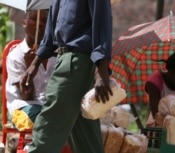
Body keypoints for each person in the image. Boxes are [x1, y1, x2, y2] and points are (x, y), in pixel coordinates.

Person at [20, 1, 113, 153]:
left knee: (50, 122)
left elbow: (102, 24)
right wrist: (34, 65)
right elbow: (50, 34)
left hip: (77, 61)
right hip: (63, 58)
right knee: (85, 132)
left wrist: (102, 73)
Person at [6, 9, 54, 131]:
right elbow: (26, 95)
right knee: (45, 119)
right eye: (34, 19)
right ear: (24, 23)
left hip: (50, 106)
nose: (40, 24)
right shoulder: (16, 56)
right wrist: (29, 67)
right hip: (24, 107)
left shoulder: (55, 54)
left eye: (44, 21)